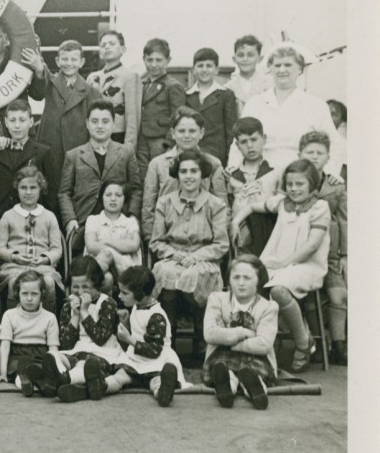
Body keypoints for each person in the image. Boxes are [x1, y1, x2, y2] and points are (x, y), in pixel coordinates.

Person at [232, 159, 330, 374]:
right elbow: (251, 206)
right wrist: (235, 221)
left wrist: (284, 263)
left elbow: (312, 246)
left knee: (278, 290)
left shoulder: (319, 207)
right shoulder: (281, 203)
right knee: (247, 281)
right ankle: (254, 348)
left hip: (307, 266)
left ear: (312, 184)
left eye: (300, 184)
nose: (294, 189)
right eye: (290, 184)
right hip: (278, 265)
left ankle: (303, 344)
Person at [150, 150, 230, 351]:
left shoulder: (216, 204)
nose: (188, 176)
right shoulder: (165, 202)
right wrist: (171, 253)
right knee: (165, 274)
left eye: (194, 171)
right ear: (177, 175)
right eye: (183, 171)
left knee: (196, 276)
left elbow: (221, 244)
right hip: (172, 257)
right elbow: (156, 241)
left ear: (203, 174)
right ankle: (169, 340)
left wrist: (196, 257)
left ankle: (201, 340)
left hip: (204, 258)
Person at [231, 42, 344, 176]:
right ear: (270, 69)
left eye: (288, 65)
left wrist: (327, 175)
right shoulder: (255, 103)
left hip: (300, 179)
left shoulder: (315, 104)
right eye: (277, 65)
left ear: (300, 70)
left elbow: (335, 145)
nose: (282, 70)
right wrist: (234, 171)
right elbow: (238, 144)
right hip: (258, 176)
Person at [30, 256, 121, 402]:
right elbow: (66, 344)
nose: (79, 291)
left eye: (86, 287)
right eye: (75, 287)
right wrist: (75, 315)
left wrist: (84, 312)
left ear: (97, 285)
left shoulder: (108, 303)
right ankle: (58, 379)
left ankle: (61, 380)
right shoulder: (68, 306)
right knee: (55, 356)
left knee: (84, 364)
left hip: (101, 353)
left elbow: (100, 338)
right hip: (77, 350)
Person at [57, 100, 142, 252]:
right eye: (95, 121)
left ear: (114, 124)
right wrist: (70, 219)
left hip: (118, 222)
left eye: (105, 121)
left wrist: (132, 216)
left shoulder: (126, 153)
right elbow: (64, 192)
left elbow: (136, 189)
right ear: (87, 124)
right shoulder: (74, 155)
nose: (100, 126)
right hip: (83, 223)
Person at [203, 254, 278, 410]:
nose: (241, 283)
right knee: (224, 371)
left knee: (253, 375)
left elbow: (263, 344)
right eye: (236, 277)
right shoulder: (217, 299)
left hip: (257, 357)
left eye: (247, 278)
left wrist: (228, 340)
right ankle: (226, 390)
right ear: (228, 279)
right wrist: (244, 332)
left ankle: (257, 391)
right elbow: (209, 333)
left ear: (259, 280)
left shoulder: (268, 307)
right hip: (221, 355)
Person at [141, 107, 229, 241]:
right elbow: (149, 206)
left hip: (203, 237)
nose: (187, 136)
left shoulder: (213, 163)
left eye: (192, 131)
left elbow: (223, 205)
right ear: (173, 133)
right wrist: (151, 238)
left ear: (201, 133)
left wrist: (217, 239)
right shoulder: (157, 164)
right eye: (181, 131)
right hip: (167, 237)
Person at [299, 130, 348, 365]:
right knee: (310, 299)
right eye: (310, 152)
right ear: (300, 154)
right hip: (306, 253)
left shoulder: (335, 186)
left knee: (338, 295)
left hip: (330, 254)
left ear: (328, 157)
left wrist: (345, 254)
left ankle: (339, 344)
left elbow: (344, 220)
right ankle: (319, 344)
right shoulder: (294, 183)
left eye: (320, 153)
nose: (315, 157)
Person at [22, 40, 101, 173]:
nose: (69, 63)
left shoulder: (92, 92)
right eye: (64, 59)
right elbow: (38, 91)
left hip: (79, 151)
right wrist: (39, 68)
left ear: (82, 62)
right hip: (51, 150)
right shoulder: (51, 82)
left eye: (74, 59)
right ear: (57, 61)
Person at [111, 266, 185, 407]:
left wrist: (129, 339)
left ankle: (162, 392)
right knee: (119, 376)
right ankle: (100, 385)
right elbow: (139, 331)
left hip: (156, 360)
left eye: (124, 293)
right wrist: (126, 323)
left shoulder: (156, 316)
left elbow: (154, 350)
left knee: (156, 380)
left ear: (141, 294)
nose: (119, 296)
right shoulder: (137, 306)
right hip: (137, 359)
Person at [0, 165, 64, 309]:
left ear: (41, 189)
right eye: (23, 188)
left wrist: (45, 259)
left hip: (42, 268)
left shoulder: (49, 217)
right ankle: (12, 320)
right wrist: (13, 257)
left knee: (49, 282)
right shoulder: (8, 216)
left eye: (33, 188)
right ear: (17, 189)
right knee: (15, 282)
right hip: (13, 267)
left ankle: (48, 319)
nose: (28, 192)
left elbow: (57, 249)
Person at [0, 98, 58, 224]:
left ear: (31, 122)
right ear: (6, 122)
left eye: (22, 120)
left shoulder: (43, 153)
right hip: (1, 224)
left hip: (34, 224)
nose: (17, 125)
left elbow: (51, 196)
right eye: (12, 120)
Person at [0, 271, 61, 397]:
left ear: (42, 294)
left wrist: (58, 369)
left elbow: (53, 348)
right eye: (25, 293)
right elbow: (4, 346)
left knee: (41, 369)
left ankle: (41, 382)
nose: (29, 298)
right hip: (17, 356)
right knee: (19, 374)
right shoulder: (9, 315)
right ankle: (27, 384)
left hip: (40, 354)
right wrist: (2, 373)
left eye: (34, 294)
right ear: (17, 294)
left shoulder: (50, 317)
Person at [225, 117, 278, 256]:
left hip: (268, 232)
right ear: (237, 145)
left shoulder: (273, 172)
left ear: (264, 139)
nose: (249, 146)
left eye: (254, 139)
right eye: (244, 142)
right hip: (241, 235)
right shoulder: (232, 175)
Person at [136, 38, 186, 175]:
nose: (153, 64)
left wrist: (169, 144)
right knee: (142, 175)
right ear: (143, 59)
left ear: (168, 60)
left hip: (160, 140)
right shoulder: (140, 83)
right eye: (149, 60)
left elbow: (178, 118)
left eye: (159, 60)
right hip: (141, 139)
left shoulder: (173, 86)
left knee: (161, 174)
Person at [86, 30, 141, 149]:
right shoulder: (92, 77)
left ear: (122, 49)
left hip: (118, 136)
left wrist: (129, 148)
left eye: (112, 44)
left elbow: (132, 116)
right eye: (103, 45)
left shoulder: (129, 76)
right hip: (94, 136)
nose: (107, 47)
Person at [84, 180, 142, 291]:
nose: (113, 199)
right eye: (108, 195)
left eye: (118, 195)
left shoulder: (130, 222)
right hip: (101, 264)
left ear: (125, 198)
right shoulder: (93, 220)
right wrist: (116, 252)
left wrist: (106, 241)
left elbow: (134, 245)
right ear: (102, 197)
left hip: (126, 271)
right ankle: (106, 306)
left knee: (106, 254)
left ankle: (84, 286)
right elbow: (91, 245)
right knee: (107, 278)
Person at [185, 47, 238, 166]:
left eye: (209, 66)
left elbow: (231, 131)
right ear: (193, 70)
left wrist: (230, 159)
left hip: (217, 155)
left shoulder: (226, 94)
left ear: (217, 70)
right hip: (190, 154)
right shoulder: (187, 95)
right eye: (200, 65)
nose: (204, 70)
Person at [224, 35, 271, 115]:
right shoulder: (228, 87)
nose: (245, 59)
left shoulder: (268, 84)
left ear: (260, 59)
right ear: (234, 59)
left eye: (250, 55)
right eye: (240, 55)